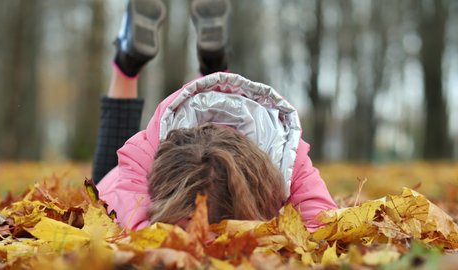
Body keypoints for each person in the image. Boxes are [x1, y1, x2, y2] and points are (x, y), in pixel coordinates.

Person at [94, 0, 337, 231]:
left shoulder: (287, 159)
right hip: (118, 182)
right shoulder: (287, 153)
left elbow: (323, 226)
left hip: (167, 148)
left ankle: (134, 63)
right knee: (101, 188)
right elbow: (322, 223)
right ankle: (190, 66)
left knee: (117, 164)